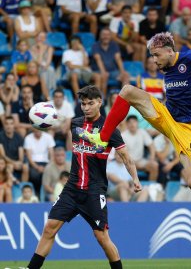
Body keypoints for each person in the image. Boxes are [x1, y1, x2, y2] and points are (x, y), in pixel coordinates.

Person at [77, 24, 191, 226]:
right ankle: (102, 138)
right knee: (127, 90)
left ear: (168, 50)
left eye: (156, 55)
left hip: (189, 129)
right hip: (167, 117)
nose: (154, 61)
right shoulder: (166, 68)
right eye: (152, 57)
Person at [27, 85, 142, 269]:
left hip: (93, 191)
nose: (86, 107)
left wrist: (135, 178)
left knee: (102, 237)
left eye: (90, 103)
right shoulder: (75, 123)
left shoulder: (109, 129)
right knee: (49, 228)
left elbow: (126, 157)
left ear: (99, 103)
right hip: (71, 189)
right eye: (83, 103)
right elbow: (55, 122)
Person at [92, 28, 130, 97]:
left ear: (110, 36)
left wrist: (122, 72)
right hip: (99, 71)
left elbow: (118, 58)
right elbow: (98, 59)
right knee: (104, 76)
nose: (106, 37)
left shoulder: (114, 45)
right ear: (100, 36)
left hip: (113, 72)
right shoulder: (95, 45)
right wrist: (103, 72)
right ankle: (102, 100)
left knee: (126, 76)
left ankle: (124, 100)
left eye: (108, 35)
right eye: (104, 35)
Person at [0, 116, 29, 182]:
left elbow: (21, 154)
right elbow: (3, 155)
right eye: (7, 124)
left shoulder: (18, 137)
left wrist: (20, 162)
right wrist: (14, 163)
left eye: (11, 123)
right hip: (6, 161)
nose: (9, 126)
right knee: (10, 167)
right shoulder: (0, 136)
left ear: (13, 125)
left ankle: (23, 187)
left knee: (25, 167)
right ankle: (11, 187)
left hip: (16, 161)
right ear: (4, 125)